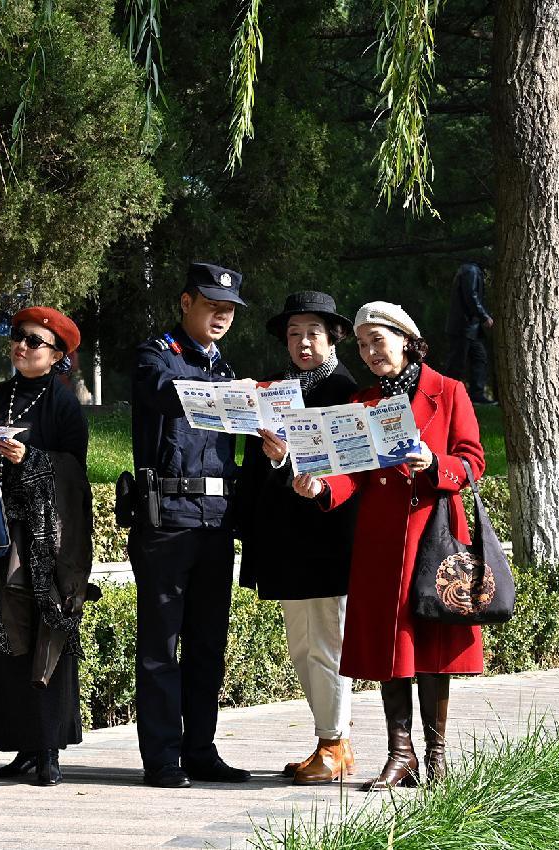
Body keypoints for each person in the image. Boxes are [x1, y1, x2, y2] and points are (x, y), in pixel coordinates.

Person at [293, 300, 486, 790]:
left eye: (377, 340)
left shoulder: (449, 390)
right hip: (380, 540)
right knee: (389, 646)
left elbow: (473, 462)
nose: (370, 352)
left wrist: (435, 463)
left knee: (433, 644)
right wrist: (321, 488)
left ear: (406, 339)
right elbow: (352, 474)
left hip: (434, 534)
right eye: (362, 345)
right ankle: (401, 754)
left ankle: (436, 757)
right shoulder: (363, 402)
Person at [127, 262, 252, 789]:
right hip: (167, 520)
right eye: (211, 306)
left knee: (207, 644)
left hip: (216, 522)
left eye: (229, 310)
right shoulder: (156, 355)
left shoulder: (228, 371)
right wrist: (234, 394)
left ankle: (200, 748)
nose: (221, 316)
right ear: (186, 303)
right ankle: (161, 756)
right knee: (161, 645)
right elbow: (163, 392)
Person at [238, 291, 359, 785]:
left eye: (312, 333)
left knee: (328, 645)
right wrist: (274, 458)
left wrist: (290, 458)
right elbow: (262, 467)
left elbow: (347, 466)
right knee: (301, 646)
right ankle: (333, 741)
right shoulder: (275, 391)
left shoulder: (347, 391)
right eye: (293, 334)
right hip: (287, 538)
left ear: (333, 338)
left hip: (329, 536)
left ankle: (333, 743)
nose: (302, 342)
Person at [0, 307, 93, 787]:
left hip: (45, 542)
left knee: (46, 634)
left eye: (35, 341)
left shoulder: (62, 402)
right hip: (0, 532)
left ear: (58, 355)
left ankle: (48, 748)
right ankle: (20, 743)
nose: (22, 346)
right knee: (4, 635)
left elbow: (75, 471)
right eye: (18, 337)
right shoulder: (1, 394)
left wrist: (32, 457)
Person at [443, 262, 495, 404]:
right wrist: (484, 316)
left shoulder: (470, 270)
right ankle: (446, 396)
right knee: (456, 364)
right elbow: (471, 296)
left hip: (470, 327)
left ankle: (476, 395)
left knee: (479, 358)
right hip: (463, 327)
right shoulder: (471, 271)